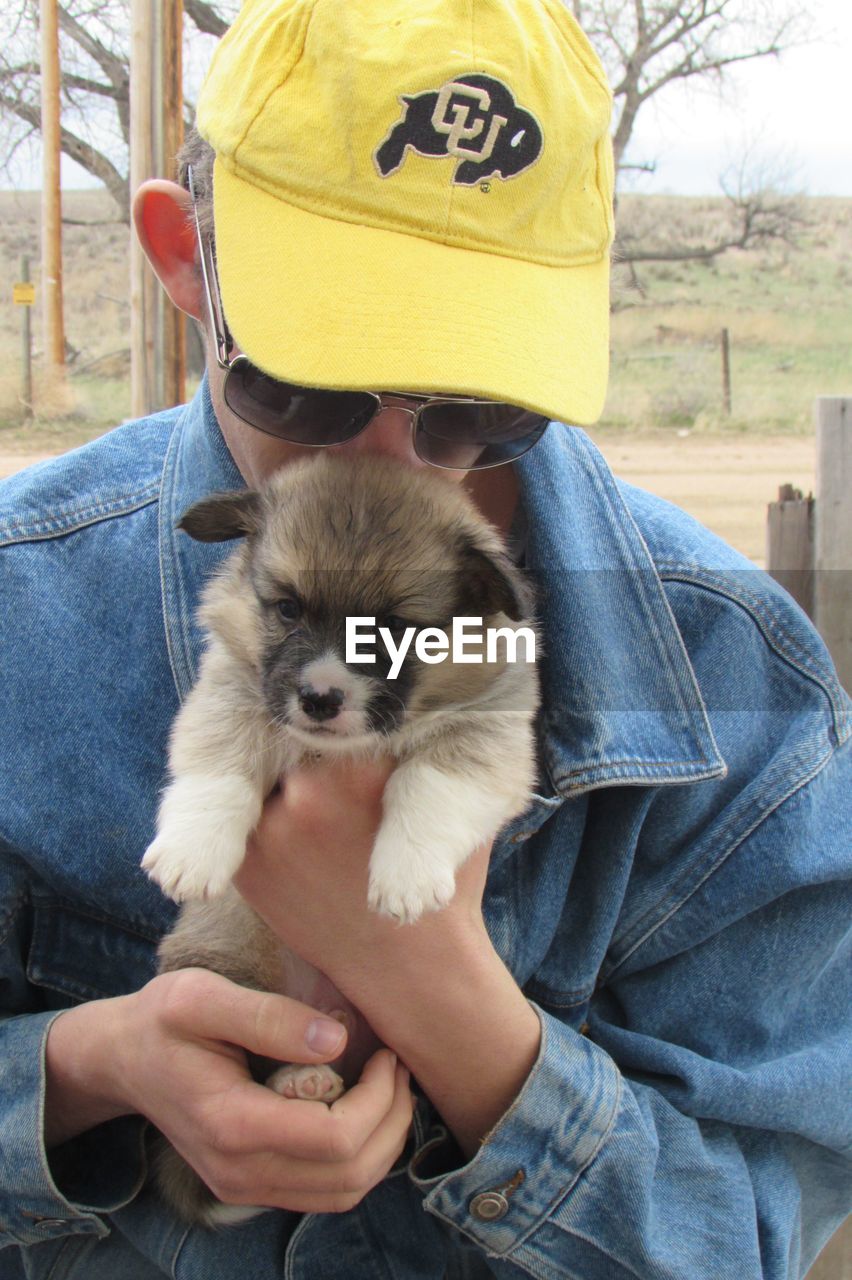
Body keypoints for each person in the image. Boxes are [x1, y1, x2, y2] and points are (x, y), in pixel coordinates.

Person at [1, 0, 849, 1276]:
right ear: (187, 263)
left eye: (482, 407)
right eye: (306, 386)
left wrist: (463, 1019)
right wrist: (81, 1071)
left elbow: (754, 1229)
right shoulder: (25, 608)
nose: (395, 459)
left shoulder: (741, 684)